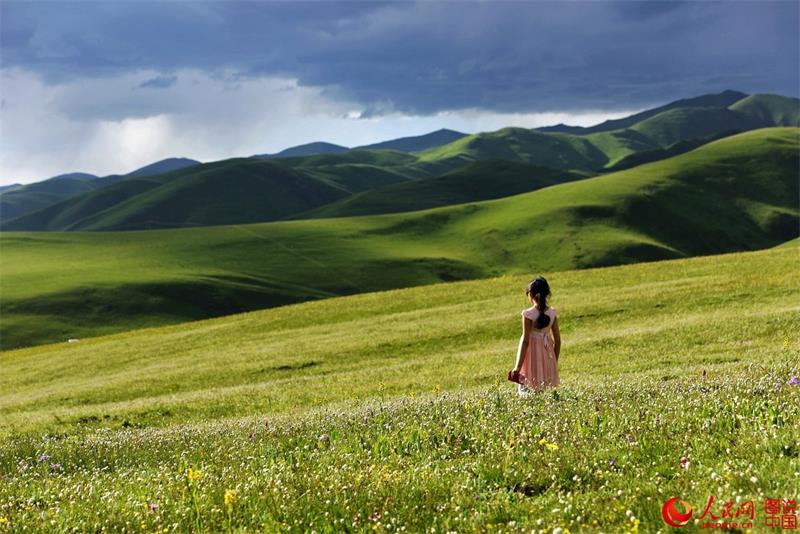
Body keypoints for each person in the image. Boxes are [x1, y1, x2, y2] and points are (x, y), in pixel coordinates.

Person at [509, 276, 561, 396]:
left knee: (526, 387)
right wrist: (554, 362)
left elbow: (526, 341)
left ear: (530, 295)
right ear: (547, 293)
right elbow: (557, 341)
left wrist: (517, 367)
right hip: (547, 355)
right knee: (543, 390)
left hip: (531, 355)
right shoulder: (552, 313)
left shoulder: (528, 314)